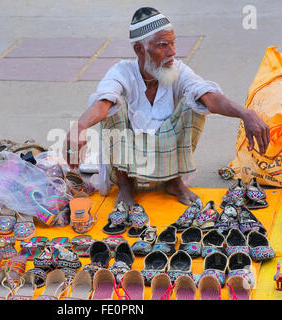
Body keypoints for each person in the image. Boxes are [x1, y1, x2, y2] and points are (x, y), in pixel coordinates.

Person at [64, 7, 270, 223]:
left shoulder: (178, 70)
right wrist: (79, 127)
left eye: (173, 44)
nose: (173, 52)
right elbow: (101, 104)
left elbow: (210, 97)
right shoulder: (121, 72)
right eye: (164, 45)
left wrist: (245, 113)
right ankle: (125, 187)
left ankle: (174, 181)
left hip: (167, 156)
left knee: (195, 99)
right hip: (130, 162)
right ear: (139, 50)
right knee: (112, 104)